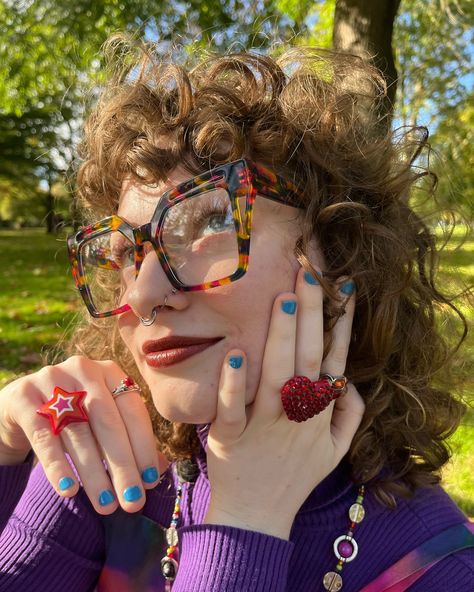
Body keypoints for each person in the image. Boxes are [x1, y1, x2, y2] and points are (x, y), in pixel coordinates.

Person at [0, 41, 473, 592]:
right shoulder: (110, 455)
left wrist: (245, 520)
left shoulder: (440, 571)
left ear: (346, 252)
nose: (144, 293)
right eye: (128, 252)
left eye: (209, 222)